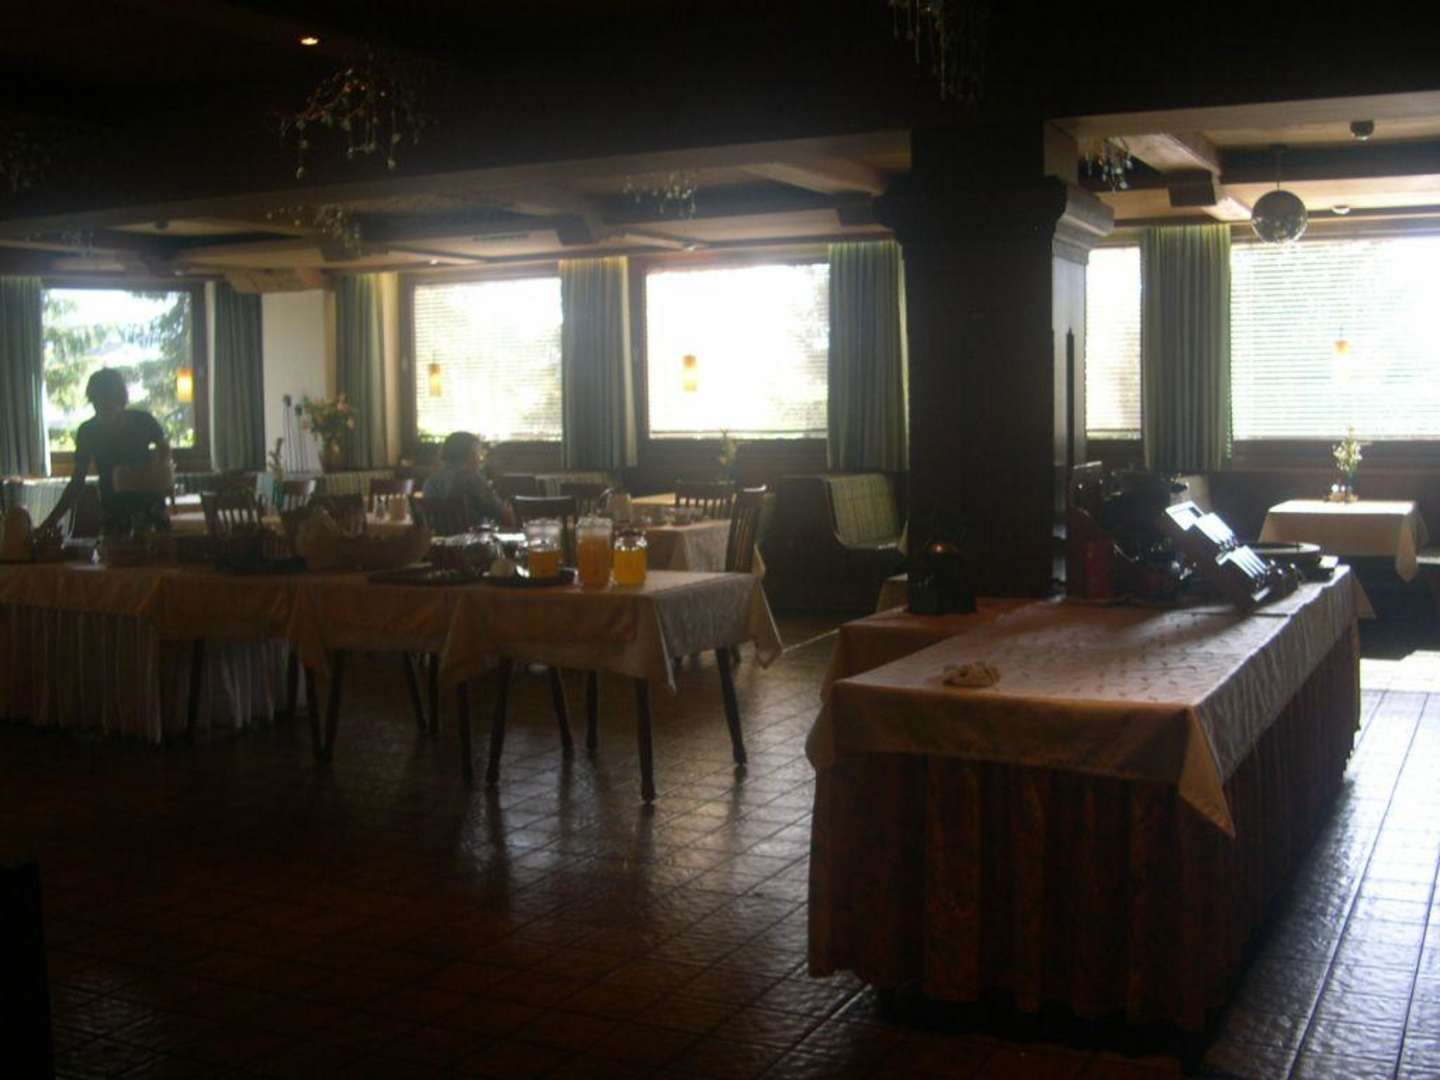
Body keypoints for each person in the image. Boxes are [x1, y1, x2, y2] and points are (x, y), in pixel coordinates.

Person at [40, 369, 172, 536]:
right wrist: (51, 521)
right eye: (98, 403)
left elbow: (164, 448)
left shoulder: (143, 420)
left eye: (108, 402)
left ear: (120, 399)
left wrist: (161, 471)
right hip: (114, 511)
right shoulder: (88, 431)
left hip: (151, 507)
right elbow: (77, 481)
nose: (103, 408)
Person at [421, 431, 505, 525]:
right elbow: (499, 512)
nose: (480, 459)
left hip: (438, 534)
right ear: (469, 455)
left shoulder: (430, 481)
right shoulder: (472, 478)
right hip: (472, 533)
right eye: (478, 453)